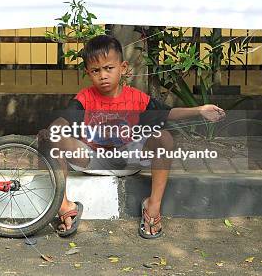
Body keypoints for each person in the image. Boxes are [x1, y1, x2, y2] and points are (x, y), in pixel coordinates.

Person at [38, 34, 225, 238]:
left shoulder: (136, 98)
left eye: (109, 68)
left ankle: (153, 206)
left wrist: (199, 110)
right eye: (96, 71)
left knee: (163, 137)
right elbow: (64, 120)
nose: (103, 75)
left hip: (129, 159)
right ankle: (64, 206)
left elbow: (168, 113)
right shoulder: (84, 98)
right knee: (56, 135)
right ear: (88, 73)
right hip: (92, 158)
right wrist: (53, 129)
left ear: (123, 68)